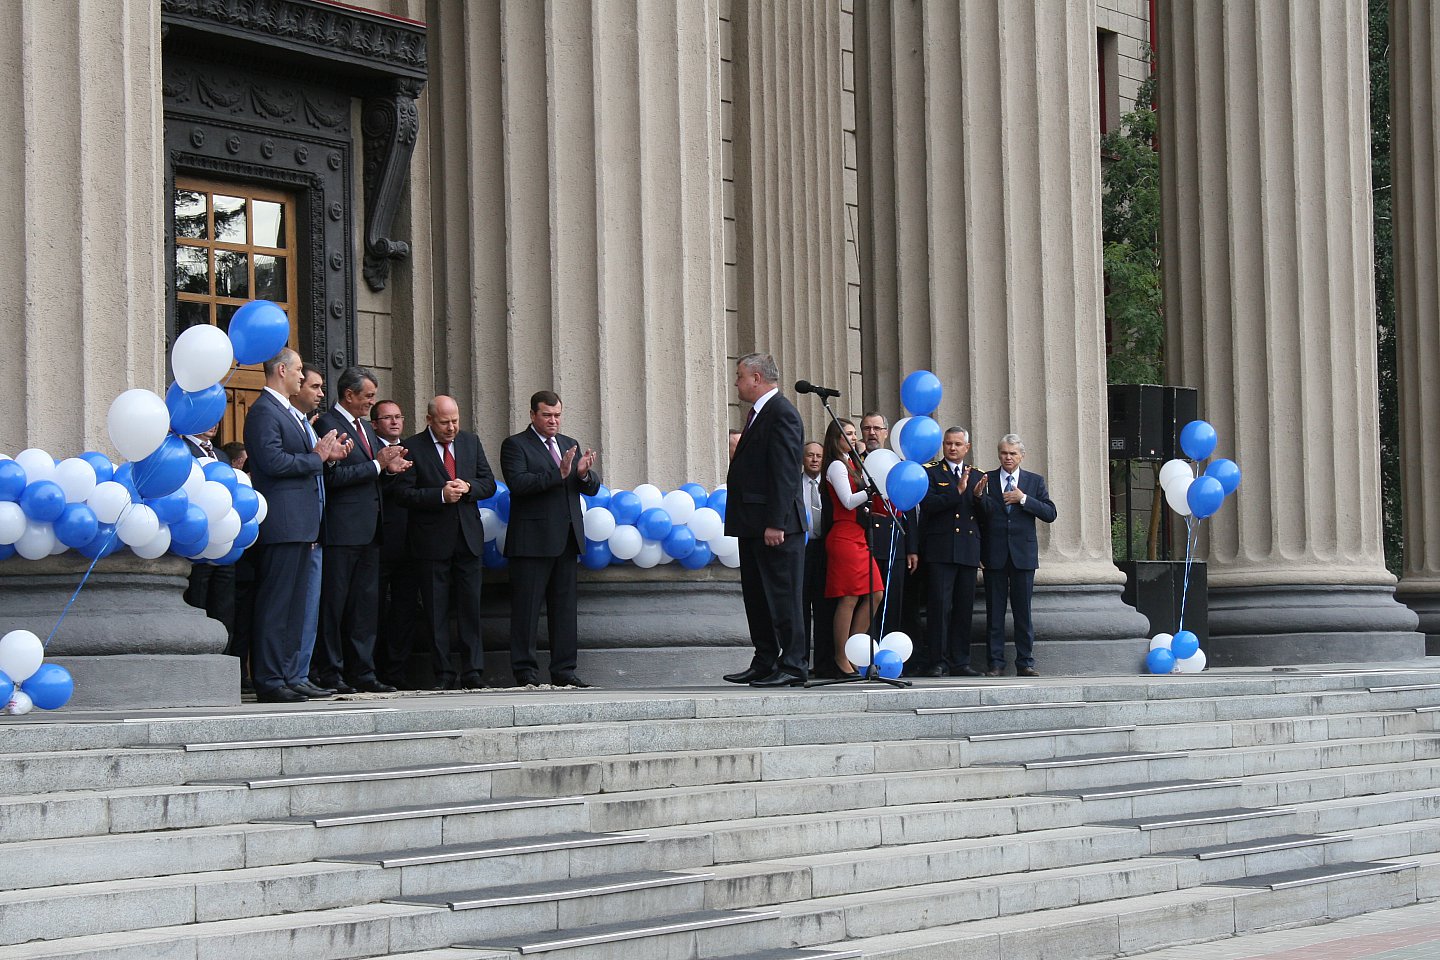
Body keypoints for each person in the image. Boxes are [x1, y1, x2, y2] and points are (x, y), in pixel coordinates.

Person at [243, 347, 349, 702]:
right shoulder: (263, 411)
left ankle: (290, 674)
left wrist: (325, 458)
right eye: (300, 370)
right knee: (277, 604)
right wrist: (314, 457)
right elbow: (271, 461)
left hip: (303, 524)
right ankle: (270, 679)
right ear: (282, 370)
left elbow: (302, 461)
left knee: (295, 606)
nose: (303, 377)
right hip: (282, 524)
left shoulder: (288, 412)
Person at [313, 366, 412, 695]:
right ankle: (330, 671)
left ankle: (363, 671)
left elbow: (371, 474)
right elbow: (334, 477)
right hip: (342, 531)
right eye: (367, 396)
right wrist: (377, 465)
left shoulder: (365, 430)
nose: (371, 401)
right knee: (335, 606)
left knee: (365, 608)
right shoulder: (329, 424)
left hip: (370, 531)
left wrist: (389, 470)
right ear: (349, 395)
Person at [393, 395, 496, 689]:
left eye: (455, 421)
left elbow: (488, 482)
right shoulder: (412, 447)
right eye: (444, 422)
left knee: (470, 608)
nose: (451, 428)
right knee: (436, 611)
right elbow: (403, 494)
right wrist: (440, 495)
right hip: (430, 541)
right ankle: (443, 673)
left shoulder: (470, 442)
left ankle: (473, 672)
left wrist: (469, 486)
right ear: (429, 420)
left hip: (468, 538)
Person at [500, 390, 601, 687]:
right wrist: (558, 474)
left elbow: (591, 487)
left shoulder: (569, 444)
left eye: (557, 415)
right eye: (547, 415)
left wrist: (582, 474)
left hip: (567, 539)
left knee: (565, 610)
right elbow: (518, 484)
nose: (553, 420)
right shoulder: (515, 445)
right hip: (532, 541)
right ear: (533, 415)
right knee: (526, 610)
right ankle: (525, 672)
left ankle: (564, 671)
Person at [722, 353, 809, 687]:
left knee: (783, 596)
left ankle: (792, 664)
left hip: (776, 527)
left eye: (740, 375)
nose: (736, 382)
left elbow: (787, 473)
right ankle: (765, 659)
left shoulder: (782, 413)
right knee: (757, 597)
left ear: (756, 378)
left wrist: (776, 522)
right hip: (753, 524)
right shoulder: (759, 413)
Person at [974, 433, 1057, 677]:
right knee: (995, 612)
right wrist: (978, 497)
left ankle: (1025, 662)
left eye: (1012, 453)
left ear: (1022, 456)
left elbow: (1050, 513)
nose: (1007, 457)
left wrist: (1024, 499)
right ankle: (996, 663)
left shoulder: (1033, 481)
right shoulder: (986, 479)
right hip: (994, 554)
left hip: (1023, 555)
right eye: (1003, 453)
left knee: (1023, 613)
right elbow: (981, 515)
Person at [918, 427, 983, 677]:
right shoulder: (931, 472)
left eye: (957, 444)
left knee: (964, 609)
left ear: (967, 447)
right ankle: (938, 660)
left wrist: (978, 497)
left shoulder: (977, 476)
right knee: (939, 608)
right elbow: (928, 505)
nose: (952, 448)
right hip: (941, 550)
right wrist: (956, 492)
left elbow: (985, 517)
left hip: (968, 550)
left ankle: (960, 661)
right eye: (948, 444)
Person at [822, 419, 884, 676]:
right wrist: (872, 489)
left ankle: (853, 648)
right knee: (849, 596)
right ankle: (840, 656)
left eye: (852, 434)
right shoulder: (837, 465)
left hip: (857, 533)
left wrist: (872, 507)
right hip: (843, 535)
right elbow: (847, 501)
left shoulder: (852, 463)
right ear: (836, 438)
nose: (852, 438)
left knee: (875, 593)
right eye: (846, 434)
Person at [287, 365, 332, 696]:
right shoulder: (284, 419)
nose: (318, 392)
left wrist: (330, 458)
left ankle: (299, 673)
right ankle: (290, 674)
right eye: (312, 385)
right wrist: (318, 456)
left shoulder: (308, 426)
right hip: (294, 530)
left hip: (315, 531)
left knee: (309, 608)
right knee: (293, 607)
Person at [370, 399, 420, 688]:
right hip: (377, 541)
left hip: (409, 542)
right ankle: (371, 670)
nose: (394, 422)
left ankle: (397, 673)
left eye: (398, 417)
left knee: (404, 611)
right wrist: (386, 470)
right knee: (373, 610)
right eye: (387, 418)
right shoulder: (370, 450)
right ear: (375, 423)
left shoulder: (414, 450)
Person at [181, 424, 236, 668]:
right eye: (206, 418)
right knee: (198, 602)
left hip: (225, 545)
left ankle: (224, 663)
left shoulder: (221, 455)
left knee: (225, 608)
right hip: (198, 543)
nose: (214, 424)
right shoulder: (182, 449)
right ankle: (198, 664)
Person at [859, 412, 918, 635]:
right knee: (867, 602)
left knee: (893, 603)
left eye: (876, 428)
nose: (872, 433)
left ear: (885, 432)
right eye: (867, 429)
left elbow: (909, 506)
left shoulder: (898, 464)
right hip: (865, 542)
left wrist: (912, 547)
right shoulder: (856, 462)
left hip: (895, 542)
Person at [801, 440, 834, 677]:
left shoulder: (831, 486)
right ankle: (799, 662)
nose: (814, 459)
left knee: (824, 609)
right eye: (810, 455)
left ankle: (823, 663)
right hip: (801, 550)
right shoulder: (793, 484)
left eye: (819, 456)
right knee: (801, 607)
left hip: (826, 549)